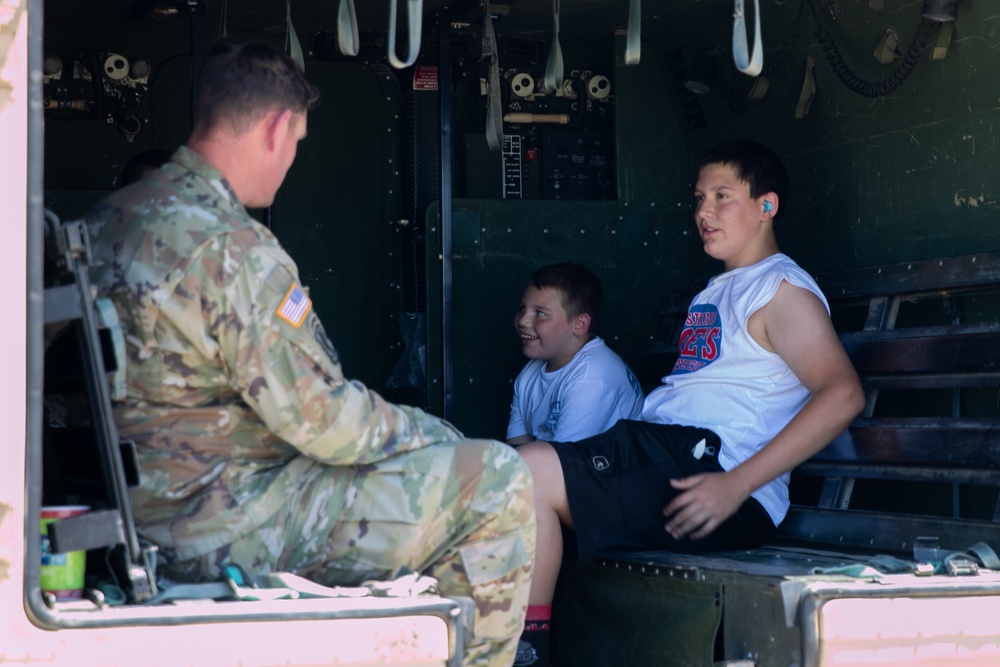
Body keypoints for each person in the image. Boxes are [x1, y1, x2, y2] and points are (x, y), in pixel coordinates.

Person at [85, 40, 535, 667]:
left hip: (136, 520)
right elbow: (324, 422)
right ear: (275, 129)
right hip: (232, 525)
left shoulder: (105, 223)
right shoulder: (231, 247)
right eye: (296, 141)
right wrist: (429, 431)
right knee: (496, 481)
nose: (292, 158)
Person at [514, 140, 866, 664]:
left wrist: (736, 485)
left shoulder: (781, 289)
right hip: (668, 453)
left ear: (767, 206)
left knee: (526, 471)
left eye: (722, 197)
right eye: (699, 198)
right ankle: (529, 645)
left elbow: (843, 395)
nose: (703, 212)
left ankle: (526, 653)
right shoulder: (716, 289)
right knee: (512, 474)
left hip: (713, 473)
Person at [507, 262, 643, 445]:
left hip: (607, 472)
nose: (523, 320)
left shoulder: (591, 378)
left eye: (540, 313)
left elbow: (566, 467)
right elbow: (516, 451)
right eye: (522, 308)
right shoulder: (530, 372)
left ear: (579, 325)